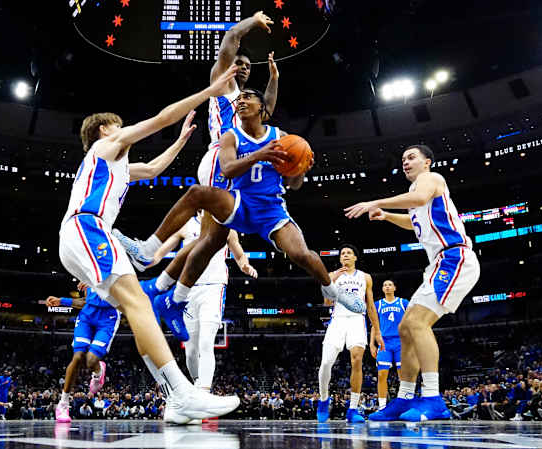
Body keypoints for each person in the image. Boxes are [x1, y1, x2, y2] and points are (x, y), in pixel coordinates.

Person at [57, 65, 241, 424]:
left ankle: (175, 398)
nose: (122, 127)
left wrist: (181, 141)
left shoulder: (116, 165)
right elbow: (159, 118)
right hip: (86, 227)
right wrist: (211, 91)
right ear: (103, 129)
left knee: (138, 307)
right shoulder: (104, 145)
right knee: (138, 302)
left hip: (87, 235)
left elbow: (154, 168)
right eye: (117, 123)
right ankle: (183, 394)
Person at [113, 88, 366, 342]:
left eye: (248, 98)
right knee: (197, 195)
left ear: (261, 107)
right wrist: (260, 154)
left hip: (271, 209)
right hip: (239, 202)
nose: (241, 101)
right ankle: (149, 252)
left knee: (301, 254)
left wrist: (300, 170)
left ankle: (334, 292)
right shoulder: (230, 136)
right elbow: (228, 170)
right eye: (239, 99)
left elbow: (293, 184)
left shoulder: (282, 137)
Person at [113, 10, 278, 301]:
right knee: (206, 231)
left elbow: (268, 112)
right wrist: (252, 21)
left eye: (248, 66)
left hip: (234, 165)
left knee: (210, 240)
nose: (243, 68)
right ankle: (149, 251)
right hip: (219, 158)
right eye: (239, 62)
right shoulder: (222, 82)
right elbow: (231, 37)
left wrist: (274, 78)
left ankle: (164, 290)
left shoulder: (246, 102)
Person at [345, 144, 480, 422]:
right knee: (406, 328)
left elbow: (417, 200)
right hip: (439, 263)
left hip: (455, 257)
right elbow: (413, 220)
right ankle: (404, 398)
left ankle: (433, 398)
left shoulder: (431, 180)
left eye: (411, 157)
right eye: (403, 158)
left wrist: (376, 203)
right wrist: (387, 216)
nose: (405, 162)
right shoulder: (417, 196)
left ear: (427, 162)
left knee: (417, 323)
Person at [151, 214, 257, 393]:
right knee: (191, 351)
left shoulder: (227, 225)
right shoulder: (185, 225)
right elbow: (159, 253)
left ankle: (204, 392)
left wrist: (245, 265)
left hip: (214, 288)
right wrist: (142, 260)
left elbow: (239, 254)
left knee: (206, 342)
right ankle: (197, 385)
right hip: (188, 290)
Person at [316, 244, 383, 423]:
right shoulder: (331, 276)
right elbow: (328, 302)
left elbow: (370, 306)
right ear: (340, 259)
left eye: (349, 253)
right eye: (342, 253)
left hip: (356, 321)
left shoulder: (365, 277)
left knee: (357, 359)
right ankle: (323, 400)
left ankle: (352, 409)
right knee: (326, 362)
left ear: (355, 257)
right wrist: (331, 281)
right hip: (337, 320)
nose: (345, 255)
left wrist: (376, 331)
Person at [46, 284, 121, 422]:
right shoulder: (86, 271)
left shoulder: (117, 271)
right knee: (78, 356)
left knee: (91, 360)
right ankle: (63, 404)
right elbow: (86, 301)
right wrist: (62, 301)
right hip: (87, 316)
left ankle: (98, 372)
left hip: (108, 317)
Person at [370, 280, 408, 410]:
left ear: (395, 287)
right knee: (381, 375)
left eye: (390, 284)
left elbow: (410, 323)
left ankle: (404, 404)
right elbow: (375, 326)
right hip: (384, 343)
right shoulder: (378, 304)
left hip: (400, 342)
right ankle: (382, 407)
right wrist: (371, 344)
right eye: (385, 285)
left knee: (403, 376)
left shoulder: (403, 303)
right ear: (382, 289)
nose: (387, 286)